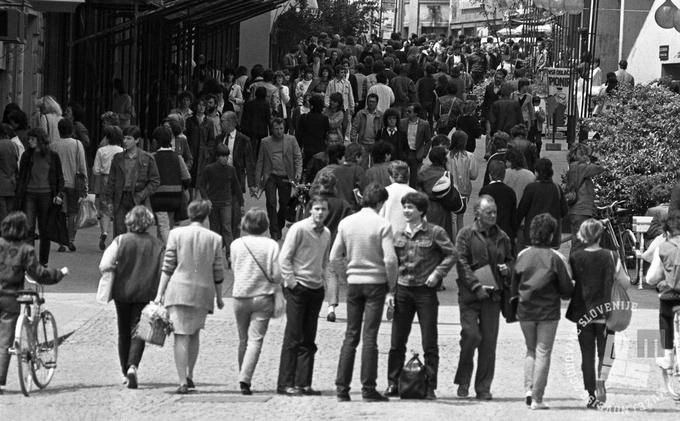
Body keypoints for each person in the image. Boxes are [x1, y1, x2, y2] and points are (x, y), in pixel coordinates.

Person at [385, 192, 456, 400]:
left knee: (429, 341)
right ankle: (393, 383)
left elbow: (451, 254)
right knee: (397, 341)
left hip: (425, 291)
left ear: (421, 211)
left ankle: (429, 385)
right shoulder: (398, 234)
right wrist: (390, 291)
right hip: (403, 290)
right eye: (404, 207)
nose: (406, 211)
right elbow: (393, 264)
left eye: (410, 207)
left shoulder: (435, 232)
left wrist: (438, 274)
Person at [332, 183, 398, 402]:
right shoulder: (382, 225)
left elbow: (335, 257)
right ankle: (368, 387)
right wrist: (391, 284)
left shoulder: (346, 223)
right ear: (379, 203)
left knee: (350, 335)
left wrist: (345, 277)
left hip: (354, 283)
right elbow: (389, 259)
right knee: (370, 336)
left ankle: (342, 387)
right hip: (375, 283)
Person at [154, 200, 225, 394]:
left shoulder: (176, 234)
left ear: (190, 213)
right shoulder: (215, 238)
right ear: (206, 215)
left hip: (178, 290)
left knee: (180, 336)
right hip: (203, 292)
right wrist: (219, 297)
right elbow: (218, 270)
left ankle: (182, 380)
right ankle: (191, 374)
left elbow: (168, 266)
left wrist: (160, 293)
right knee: (194, 334)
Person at [454, 195, 514, 400]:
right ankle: (463, 380)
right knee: (471, 336)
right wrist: (475, 284)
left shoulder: (502, 236)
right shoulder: (465, 235)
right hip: (470, 296)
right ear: (477, 213)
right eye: (489, 212)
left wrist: (509, 268)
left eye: (495, 212)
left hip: (493, 297)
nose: (493, 215)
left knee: (489, 344)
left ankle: (483, 387)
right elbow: (460, 262)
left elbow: (511, 259)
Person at [0, 211, 66, 395]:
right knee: (5, 342)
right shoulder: (25, 249)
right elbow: (38, 274)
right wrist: (59, 274)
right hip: (10, 297)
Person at [566, 219, 629, 408]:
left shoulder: (575, 257)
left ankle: (591, 394)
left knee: (587, 354)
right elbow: (625, 282)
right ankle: (602, 381)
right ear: (600, 235)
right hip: (607, 314)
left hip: (583, 314)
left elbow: (569, 283)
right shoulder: (612, 256)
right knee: (607, 352)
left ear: (582, 235)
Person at [99, 206, 163, 389]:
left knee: (123, 330)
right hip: (146, 292)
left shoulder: (120, 241)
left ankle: (124, 370)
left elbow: (104, 264)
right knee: (140, 330)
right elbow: (163, 270)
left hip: (123, 291)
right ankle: (133, 366)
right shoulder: (157, 244)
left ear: (129, 221)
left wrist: (115, 271)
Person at [513, 213, 573, 409]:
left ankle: (528, 389)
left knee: (530, 350)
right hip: (548, 312)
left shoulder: (522, 255)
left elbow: (514, 285)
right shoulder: (556, 258)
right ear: (551, 235)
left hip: (525, 310)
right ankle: (537, 398)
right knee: (543, 352)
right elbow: (566, 290)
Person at [276, 195, 330, 396]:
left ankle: (303, 383)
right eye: (317, 208)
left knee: (309, 338)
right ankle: (285, 383)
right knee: (293, 336)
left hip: (315, 289)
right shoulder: (298, 229)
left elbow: (324, 261)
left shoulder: (326, 233)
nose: (320, 213)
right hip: (298, 289)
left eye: (323, 209)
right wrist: (292, 283)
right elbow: (284, 258)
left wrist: (322, 283)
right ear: (310, 210)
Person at [230, 208, 282, 395]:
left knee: (243, 339)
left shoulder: (236, 244)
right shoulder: (271, 246)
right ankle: (245, 378)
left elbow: (235, 269)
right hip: (263, 297)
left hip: (240, 295)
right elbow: (276, 275)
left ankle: (241, 373)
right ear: (265, 225)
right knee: (256, 340)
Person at [16, 128, 64, 266]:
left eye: (32, 139)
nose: (29, 141)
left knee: (45, 229)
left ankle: (43, 261)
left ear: (40, 140)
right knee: (29, 228)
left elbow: (59, 177)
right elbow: (22, 176)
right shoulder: (27, 155)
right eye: (29, 139)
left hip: (46, 195)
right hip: (29, 194)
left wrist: (59, 194)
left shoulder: (52, 156)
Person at [309, 172, 353, 323]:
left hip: (316, 241)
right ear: (335, 186)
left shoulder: (316, 203)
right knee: (331, 274)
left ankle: (309, 307)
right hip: (335, 243)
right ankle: (331, 309)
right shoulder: (343, 204)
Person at [105, 127, 160, 237]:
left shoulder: (147, 158)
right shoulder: (118, 158)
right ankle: (121, 252)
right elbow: (111, 180)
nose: (125, 141)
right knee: (119, 231)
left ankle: (135, 252)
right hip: (120, 197)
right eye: (124, 138)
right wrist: (109, 200)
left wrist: (142, 194)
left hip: (137, 197)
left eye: (129, 138)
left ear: (137, 140)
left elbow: (155, 181)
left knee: (138, 231)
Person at [254, 118, 303, 241]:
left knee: (284, 203)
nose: (279, 131)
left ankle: (278, 224)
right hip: (270, 176)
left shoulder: (291, 140)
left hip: (286, 176)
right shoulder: (265, 142)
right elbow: (260, 162)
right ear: (272, 129)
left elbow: (297, 157)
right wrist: (256, 182)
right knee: (271, 203)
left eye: (281, 128)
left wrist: (298, 172)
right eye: (276, 129)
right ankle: (274, 231)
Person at [646, 209, 680, 373]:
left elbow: (651, 278)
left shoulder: (664, 247)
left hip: (672, 295)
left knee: (665, 316)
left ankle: (668, 357)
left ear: (666, 231)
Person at [214, 111, 256, 238]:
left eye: (223, 121)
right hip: (219, 181)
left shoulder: (243, 140)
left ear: (231, 122)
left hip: (236, 180)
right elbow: (212, 159)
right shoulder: (219, 139)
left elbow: (249, 162)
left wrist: (252, 184)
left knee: (235, 214)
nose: (220, 123)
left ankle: (235, 240)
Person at [50, 119, 88, 252]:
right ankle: (71, 239)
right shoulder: (77, 144)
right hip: (73, 184)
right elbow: (82, 166)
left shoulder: (53, 145)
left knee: (60, 213)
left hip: (57, 184)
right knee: (72, 213)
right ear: (72, 130)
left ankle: (61, 242)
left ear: (58, 130)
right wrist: (86, 186)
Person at [200, 144, 242, 262]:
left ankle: (230, 255)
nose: (225, 158)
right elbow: (201, 186)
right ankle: (215, 255)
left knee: (227, 228)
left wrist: (241, 204)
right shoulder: (209, 169)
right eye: (222, 156)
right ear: (217, 157)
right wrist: (206, 199)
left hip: (226, 203)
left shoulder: (231, 170)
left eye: (227, 156)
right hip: (213, 203)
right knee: (214, 229)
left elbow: (237, 187)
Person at [151, 126, 191, 244]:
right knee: (168, 226)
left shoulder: (152, 157)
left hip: (158, 197)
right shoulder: (177, 157)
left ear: (156, 141)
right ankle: (162, 254)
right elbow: (186, 177)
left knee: (163, 226)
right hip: (175, 197)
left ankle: (171, 250)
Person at [517, 158, 568, 250]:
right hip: (552, 236)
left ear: (536, 172)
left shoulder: (531, 188)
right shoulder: (556, 188)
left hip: (532, 236)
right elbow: (564, 210)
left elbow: (522, 210)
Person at [565, 143, 604, 251]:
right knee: (580, 242)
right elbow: (599, 168)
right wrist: (593, 157)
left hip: (576, 209)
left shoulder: (573, 167)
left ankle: (576, 263)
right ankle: (575, 265)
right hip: (581, 209)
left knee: (578, 240)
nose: (585, 157)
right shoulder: (581, 167)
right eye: (584, 154)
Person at [93, 126, 124, 250]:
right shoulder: (122, 150)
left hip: (105, 179)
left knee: (104, 208)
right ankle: (117, 237)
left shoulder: (101, 151)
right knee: (118, 208)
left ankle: (104, 232)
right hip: (119, 180)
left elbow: (95, 170)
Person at [418, 147, 454, 239]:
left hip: (426, 209)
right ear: (444, 160)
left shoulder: (423, 173)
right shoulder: (446, 175)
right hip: (442, 210)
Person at [448, 130, 479, 238]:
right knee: (460, 217)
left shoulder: (446, 156)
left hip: (450, 190)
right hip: (464, 190)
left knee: (452, 219)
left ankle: (452, 241)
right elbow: (474, 175)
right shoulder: (470, 156)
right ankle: (460, 241)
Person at [479, 160, 517, 246]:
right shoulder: (510, 192)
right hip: (505, 233)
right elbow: (513, 215)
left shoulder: (485, 190)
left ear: (490, 175)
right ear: (504, 175)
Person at [185, 97, 215, 200]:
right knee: (191, 175)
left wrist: (208, 151)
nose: (202, 107)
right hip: (191, 152)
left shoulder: (209, 122)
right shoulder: (189, 121)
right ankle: (190, 198)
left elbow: (211, 139)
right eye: (199, 105)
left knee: (201, 177)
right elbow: (186, 137)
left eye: (203, 105)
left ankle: (198, 199)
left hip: (204, 154)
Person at [379, 160, 415, 234]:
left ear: (391, 178)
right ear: (408, 176)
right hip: (410, 239)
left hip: (388, 238)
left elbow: (379, 218)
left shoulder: (384, 192)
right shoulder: (414, 193)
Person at [400, 103, 432, 187]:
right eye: (407, 111)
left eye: (409, 111)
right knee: (401, 174)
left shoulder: (424, 124)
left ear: (416, 113)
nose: (407, 113)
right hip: (404, 152)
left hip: (416, 153)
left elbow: (428, 140)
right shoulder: (402, 122)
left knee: (414, 177)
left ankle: (412, 192)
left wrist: (424, 153)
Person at [296, 95, 330, 168]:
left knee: (307, 171)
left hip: (307, 150)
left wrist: (299, 148)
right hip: (320, 150)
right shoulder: (325, 119)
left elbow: (299, 135)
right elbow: (326, 135)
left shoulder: (304, 117)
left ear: (311, 106)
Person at [351, 93, 383, 166]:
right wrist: (353, 140)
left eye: (373, 102)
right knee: (362, 163)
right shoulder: (360, 113)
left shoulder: (380, 115)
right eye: (369, 101)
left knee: (375, 164)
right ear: (367, 102)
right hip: (362, 143)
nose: (371, 103)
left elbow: (382, 129)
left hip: (375, 143)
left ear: (377, 103)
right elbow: (354, 128)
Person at [242, 87, 272, 155]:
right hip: (262, 130)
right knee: (260, 150)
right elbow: (268, 118)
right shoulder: (266, 104)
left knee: (251, 149)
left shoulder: (249, 103)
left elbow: (245, 117)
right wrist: (271, 131)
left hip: (251, 129)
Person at [0, 125, 19, 221]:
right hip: (12, 183)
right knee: (10, 212)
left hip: (1, 184)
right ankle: (10, 232)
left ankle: (4, 233)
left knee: (2, 213)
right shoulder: (14, 145)